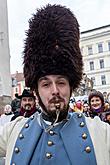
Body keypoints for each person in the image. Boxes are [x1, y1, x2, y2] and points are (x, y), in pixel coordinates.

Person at [0, 4, 110, 165]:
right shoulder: (13, 130)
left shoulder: (100, 132)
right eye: (45, 84)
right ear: (36, 90)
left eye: (61, 82)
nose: (55, 91)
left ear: (71, 86)